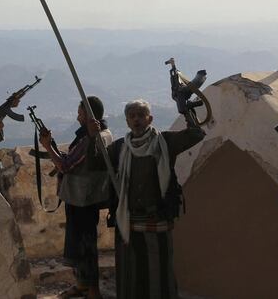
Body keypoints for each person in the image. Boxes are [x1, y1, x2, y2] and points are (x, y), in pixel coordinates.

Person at [89, 99, 204, 299]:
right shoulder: (119, 148)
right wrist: (92, 137)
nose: (137, 120)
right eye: (132, 116)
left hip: (157, 220)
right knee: (131, 273)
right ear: (126, 121)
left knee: (158, 272)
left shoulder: (166, 142)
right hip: (129, 221)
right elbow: (95, 163)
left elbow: (196, 134)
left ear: (150, 118)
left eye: (141, 115)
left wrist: (186, 110)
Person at [39, 96, 113, 299]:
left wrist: (47, 146)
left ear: (89, 116)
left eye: (81, 113)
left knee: (85, 247)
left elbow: (65, 165)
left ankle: (92, 290)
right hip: (86, 197)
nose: (78, 117)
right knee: (81, 245)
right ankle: (82, 285)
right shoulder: (104, 134)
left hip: (82, 199)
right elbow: (75, 159)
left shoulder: (90, 139)